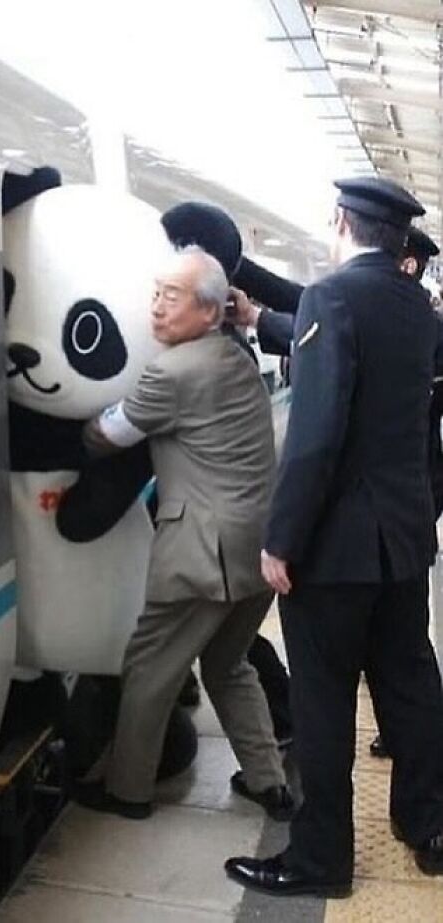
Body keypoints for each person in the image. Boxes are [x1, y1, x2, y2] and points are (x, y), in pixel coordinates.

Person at [225, 177, 443, 899]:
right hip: (404, 546)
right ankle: (429, 825)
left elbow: (315, 439)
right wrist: (261, 315)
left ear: (343, 222)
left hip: (337, 553)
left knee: (323, 706)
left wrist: (281, 540)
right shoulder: (419, 307)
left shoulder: (333, 297)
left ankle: (321, 860)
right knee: (410, 689)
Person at [74, 246, 292, 821]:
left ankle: (128, 792)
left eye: (171, 297)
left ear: (209, 311)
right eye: (155, 293)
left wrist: (81, 422)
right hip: (257, 548)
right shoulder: (234, 356)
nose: (156, 307)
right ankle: (269, 782)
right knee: (229, 664)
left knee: (149, 667)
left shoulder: (171, 371)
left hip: (201, 552)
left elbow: (107, 437)